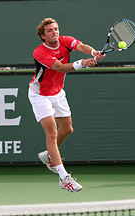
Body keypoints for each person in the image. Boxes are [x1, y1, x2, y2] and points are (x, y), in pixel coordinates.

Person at [28, 18, 105, 192]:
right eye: (49, 30)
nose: (54, 32)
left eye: (55, 29)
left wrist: (93, 53)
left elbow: (82, 46)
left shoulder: (65, 40)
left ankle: (49, 156)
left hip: (58, 93)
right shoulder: (39, 52)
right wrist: (82, 63)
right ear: (42, 36)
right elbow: (60, 68)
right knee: (52, 132)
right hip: (40, 95)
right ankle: (64, 178)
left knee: (67, 129)